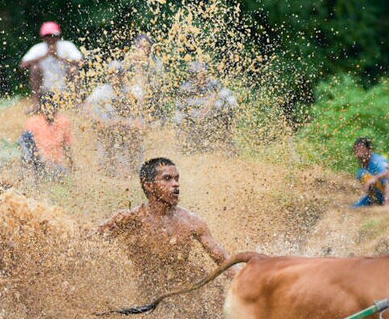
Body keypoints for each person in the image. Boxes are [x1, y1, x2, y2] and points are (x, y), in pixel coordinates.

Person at [98, 157, 229, 295]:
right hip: (144, 296)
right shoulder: (129, 219)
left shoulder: (192, 222)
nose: (176, 184)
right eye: (167, 179)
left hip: (183, 295)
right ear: (149, 185)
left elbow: (222, 258)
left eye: (177, 179)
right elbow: (91, 245)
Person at [171, 61, 238, 150]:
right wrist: (179, 133)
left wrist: (212, 106)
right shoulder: (185, 90)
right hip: (194, 125)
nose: (200, 78)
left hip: (213, 121)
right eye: (196, 75)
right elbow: (179, 113)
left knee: (225, 109)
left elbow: (231, 100)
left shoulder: (214, 85)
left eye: (203, 74)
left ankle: (226, 142)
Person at [20, 21, 83, 99]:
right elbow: (23, 65)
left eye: (54, 35)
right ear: (43, 37)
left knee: (73, 69)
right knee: (35, 68)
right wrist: (45, 56)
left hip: (65, 89)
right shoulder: (38, 48)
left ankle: (76, 101)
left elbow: (81, 62)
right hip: (45, 91)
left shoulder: (67, 46)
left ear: (59, 36)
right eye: (48, 36)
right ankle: (36, 102)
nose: (51, 38)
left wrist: (59, 58)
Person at [20, 92, 73, 179]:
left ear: (57, 106)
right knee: (26, 137)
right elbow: (26, 148)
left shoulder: (64, 122)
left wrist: (72, 166)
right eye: (47, 105)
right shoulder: (33, 122)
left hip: (57, 164)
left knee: (63, 175)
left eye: (52, 105)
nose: (49, 109)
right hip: (39, 163)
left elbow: (67, 147)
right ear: (42, 107)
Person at [351, 137, 389, 207]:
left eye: (361, 149)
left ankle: (375, 203)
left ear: (369, 150)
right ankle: (373, 201)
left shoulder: (378, 163)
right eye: (356, 150)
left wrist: (387, 203)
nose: (358, 153)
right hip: (379, 192)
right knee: (354, 207)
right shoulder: (365, 162)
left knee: (362, 173)